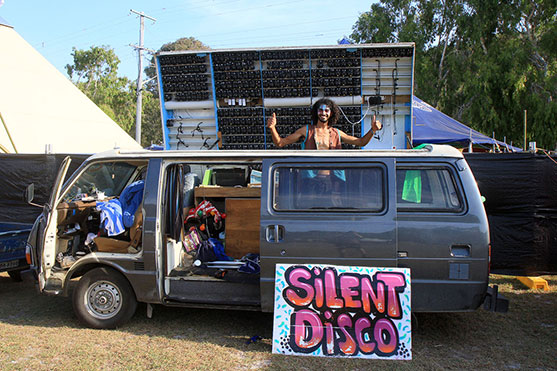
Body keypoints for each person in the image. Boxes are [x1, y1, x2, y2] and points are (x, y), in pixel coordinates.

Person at [266, 98, 382, 149]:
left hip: (333, 180)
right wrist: (272, 128)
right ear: (316, 112)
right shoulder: (306, 130)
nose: (323, 113)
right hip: (309, 180)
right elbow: (280, 143)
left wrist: (373, 130)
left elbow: (361, 142)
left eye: (326, 110)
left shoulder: (336, 133)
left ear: (331, 113)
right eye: (320, 110)